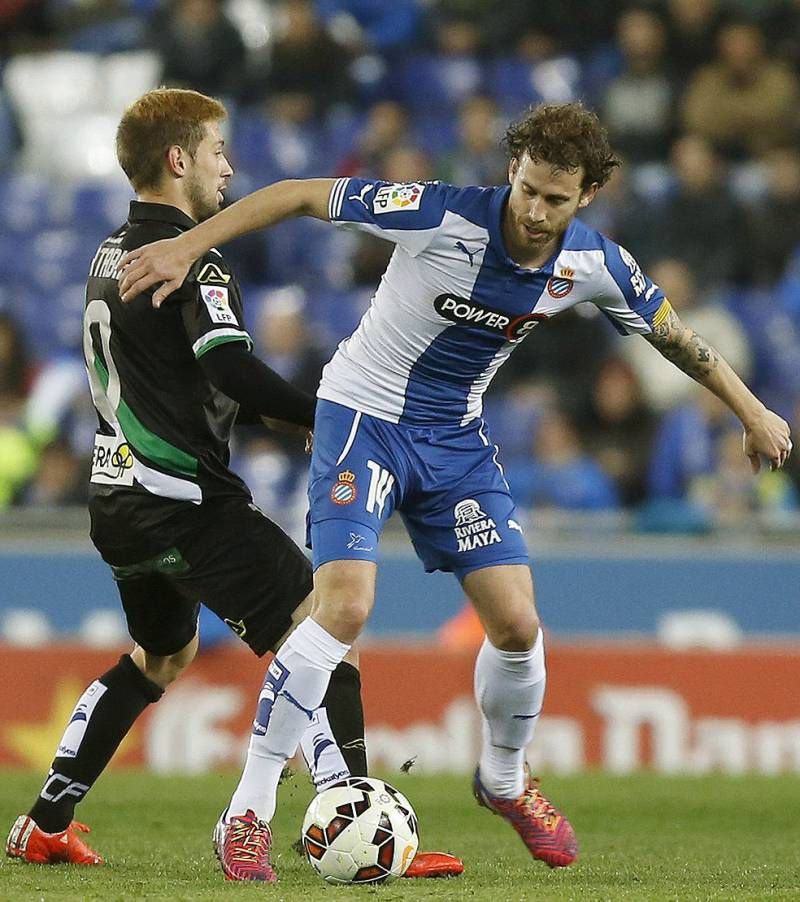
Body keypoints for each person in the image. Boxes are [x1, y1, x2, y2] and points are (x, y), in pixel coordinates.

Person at [117, 101, 793, 872]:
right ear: (512, 170)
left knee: (516, 626)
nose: (535, 212)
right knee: (344, 607)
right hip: (362, 417)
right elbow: (302, 194)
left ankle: (504, 780)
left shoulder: (596, 265)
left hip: (455, 445)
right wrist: (188, 246)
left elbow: (679, 338)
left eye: (555, 200)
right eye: (528, 189)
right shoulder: (439, 213)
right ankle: (249, 808)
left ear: (587, 198)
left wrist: (752, 411)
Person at [4, 88, 460, 882]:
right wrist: (322, 412)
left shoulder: (109, 253)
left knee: (161, 656)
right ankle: (356, 825)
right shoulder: (191, 257)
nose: (230, 167)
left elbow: (178, 385)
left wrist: (269, 416)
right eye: (218, 151)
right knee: (325, 631)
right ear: (179, 160)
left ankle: (43, 824)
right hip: (185, 501)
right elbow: (228, 369)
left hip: (116, 500)